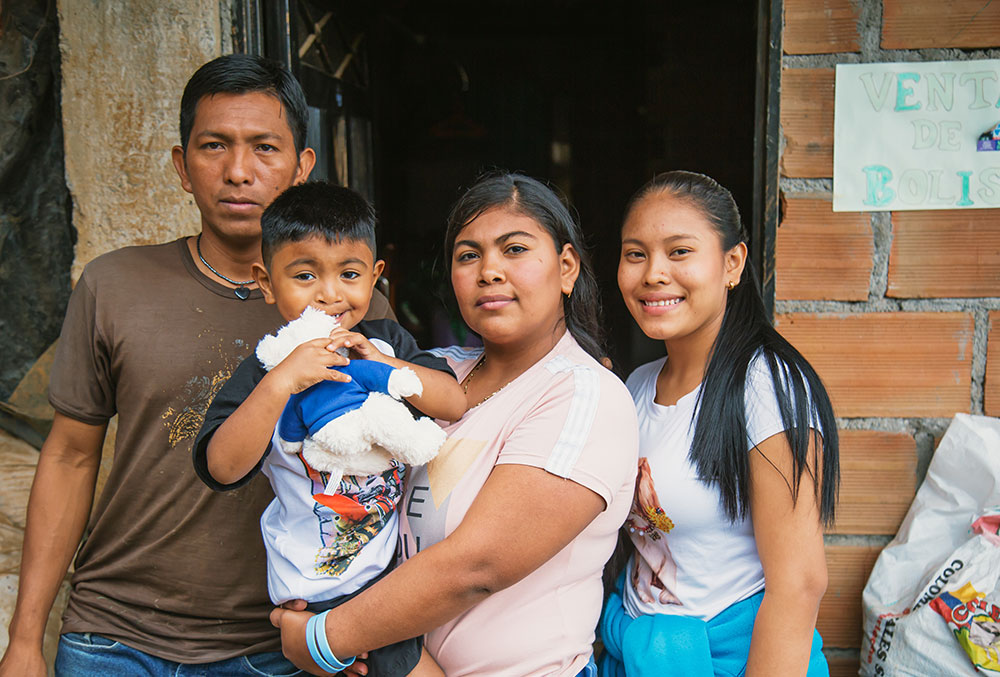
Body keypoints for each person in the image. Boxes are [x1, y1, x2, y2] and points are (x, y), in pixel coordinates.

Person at [0, 54, 388, 677]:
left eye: (265, 147)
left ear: (302, 167)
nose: (239, 172)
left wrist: (352, 624)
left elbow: (382, 475)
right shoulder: (114, 285)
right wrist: (24, 641)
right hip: (115, 638)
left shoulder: (353, 310)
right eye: (214, 146)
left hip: (277, 644)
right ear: (182, 167)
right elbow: (70, 456)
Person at [267, 171, 639, 676]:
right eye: (468, 255)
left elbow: (476, 566)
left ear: (566, 267)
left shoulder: (582, 395)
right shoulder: (433, 372)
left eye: (515, 249)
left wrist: (324, 637)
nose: (489, 271)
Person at [192, 181, 467, 676]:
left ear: (375, 277)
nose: (330, 293)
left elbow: (453, 399)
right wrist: (280, 384)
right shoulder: (265, 368)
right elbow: (222, 468)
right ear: (266, 281)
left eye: (349, 273)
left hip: (383, 585)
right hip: (312, 593)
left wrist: (382, 362)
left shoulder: (386, 340)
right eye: (304, 275)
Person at [600, 170, 839, 676]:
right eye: (635, 253)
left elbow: (798, 583)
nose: (653, 274)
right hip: (644, 653)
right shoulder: (635, 387)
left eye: (679, 252)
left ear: (732, 264)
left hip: (735, 661)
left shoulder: (767, 385)